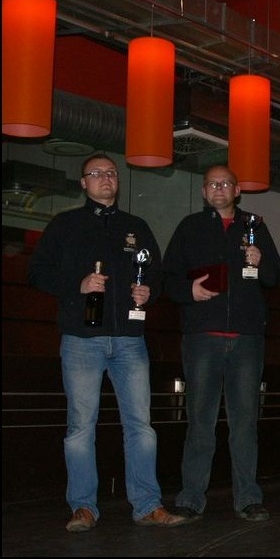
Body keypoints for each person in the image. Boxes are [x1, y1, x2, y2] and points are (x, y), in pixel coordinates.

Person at [28, 154, 189, 532]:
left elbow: (156, 276)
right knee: (81, 427)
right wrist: (78, 284)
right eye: (97, 173)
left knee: (141, 426)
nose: (106, 178)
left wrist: (148, 292)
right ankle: (83, 507)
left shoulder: (136, 226)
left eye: (112, 173)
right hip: (81, 340)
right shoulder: (65, 224)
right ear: (83, 182)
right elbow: (37, 273)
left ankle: (147, 505)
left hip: (130, 340)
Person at [162, 165, 280, 523]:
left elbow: (274, 277)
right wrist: (189, 290)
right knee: (200, 421)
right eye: (212, 184)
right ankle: (191, 497)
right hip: (202, 338)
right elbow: (167, 279)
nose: (218, 188)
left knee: (245, 423)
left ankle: (248, 497)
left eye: (225, 183)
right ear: (203, 192)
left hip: (247, 340)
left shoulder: (255, 226)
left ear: (237, 190)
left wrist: (261, 261)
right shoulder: (190, 227)